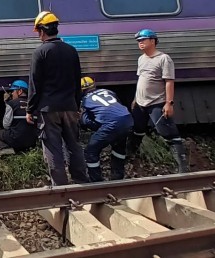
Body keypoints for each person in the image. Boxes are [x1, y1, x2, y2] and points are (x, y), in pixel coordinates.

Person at [27, 11, 90, 186]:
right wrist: (77, 104)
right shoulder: (71, 50)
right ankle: (80, 180)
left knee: (53, 148)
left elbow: (35, 84)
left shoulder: (40, 53)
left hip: (49, 109)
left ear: (41, 31)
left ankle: (61, 186)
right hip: (70, 106)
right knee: (74, 144)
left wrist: (30, 109)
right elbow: (77, 80)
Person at [127, 29, 189, 173]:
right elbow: (141, 79)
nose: (140, 43)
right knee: (137, 129)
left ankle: (182, 166)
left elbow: (169, 82)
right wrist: (136, 98)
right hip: (141, 103)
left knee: (167, 132)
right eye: (138, 41)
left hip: (157, 102)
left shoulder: (163, 59)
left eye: (143, 40)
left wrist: (169, 103)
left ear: (153, 41)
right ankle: (131, 155)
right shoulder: (141, 59)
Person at [79, 76, 133, 182]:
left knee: (91, 151)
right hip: (127, 118)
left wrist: (88, 121)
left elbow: (86, 121)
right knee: (118, 147)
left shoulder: (84, 101)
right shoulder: (108, 91)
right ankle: (118, 177)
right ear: (94, 84)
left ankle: (96, 181)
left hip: (111, 124)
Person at [0, 80, 38, 156]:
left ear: (20, 91)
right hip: (32, 142)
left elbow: (6, 125)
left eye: (13, 91)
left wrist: (7, 103)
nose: (12, 93)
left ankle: (6, 148)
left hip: (16, 139)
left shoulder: (12, 104)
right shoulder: (34, 104)